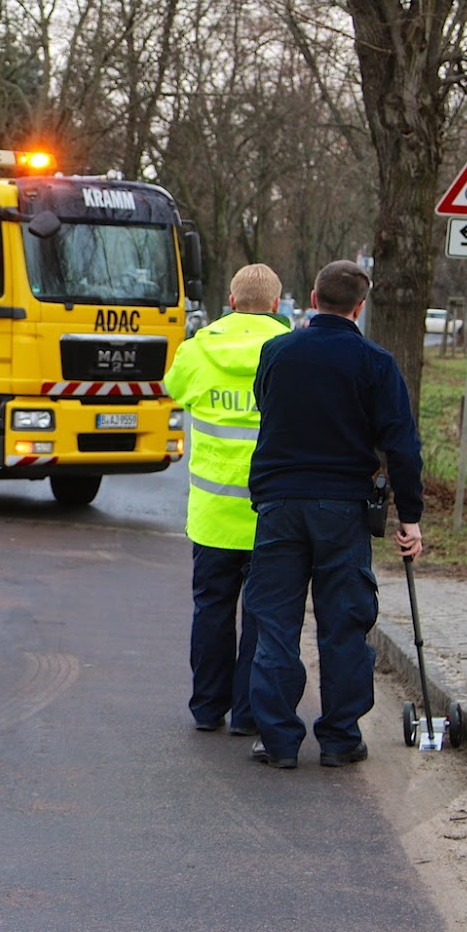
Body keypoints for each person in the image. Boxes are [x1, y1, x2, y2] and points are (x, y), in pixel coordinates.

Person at [245, 259, 424, 770]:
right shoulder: (376, 362)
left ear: (312, 296)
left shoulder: (276, 352)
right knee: (343, 621)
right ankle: (341, 739)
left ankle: (277, 740)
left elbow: (267, 406)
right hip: (343, 508)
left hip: (279, 505)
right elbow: (402, 445)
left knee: (275, 621)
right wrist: (409, 516)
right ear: (359, 307)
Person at [164, 263, 291, 737]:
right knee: (263, 615)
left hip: (213, 514)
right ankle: (249, 713)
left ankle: (206, 707)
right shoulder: (288, 353)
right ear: (277, 305)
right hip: (271, 513)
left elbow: (173, 390)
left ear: (232, 302)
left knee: (212, 610)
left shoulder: (197, 351)